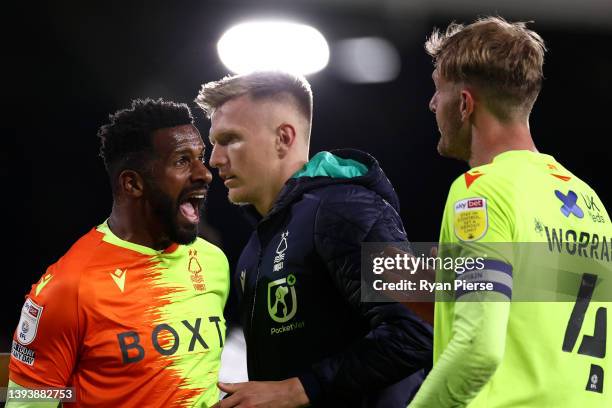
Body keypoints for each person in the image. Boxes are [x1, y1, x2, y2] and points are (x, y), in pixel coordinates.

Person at [196, 71, 433, 408]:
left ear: (283, 138)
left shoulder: (346, 208)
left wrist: (297, 389)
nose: (215, 159)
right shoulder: (255, 248)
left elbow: (420, 328)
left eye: (230, 139)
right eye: (215, 142)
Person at [409, 17, 611, 407]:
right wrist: (385, 273)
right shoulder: (589, 202)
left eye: (438, 91)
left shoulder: (480, 192)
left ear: (465, 104)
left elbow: (477, 349)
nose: (433, 103)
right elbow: (530, 322)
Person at [7, 99, 230, 407]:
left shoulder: (213, 261)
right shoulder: (68, 287)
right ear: (133, 183)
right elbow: (30, 400)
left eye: (200, 158)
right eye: (182, 161)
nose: (204, 174)